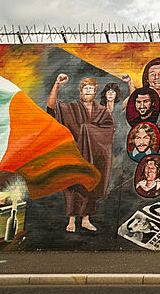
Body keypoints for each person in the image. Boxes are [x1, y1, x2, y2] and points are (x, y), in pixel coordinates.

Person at [47, 74, 115, 233]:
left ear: (95, 92)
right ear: (81, 91)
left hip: (95, 156)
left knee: (91, 185)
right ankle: (71, 220)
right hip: (76, 155)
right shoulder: (70, 108)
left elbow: (109, 128)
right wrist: (57, 84)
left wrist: (89, 131)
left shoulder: (101, 110)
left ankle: (85, 220)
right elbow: (51, 107)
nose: (88, 91)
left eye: (91, 89)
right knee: (73, 186)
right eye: (86, 88)